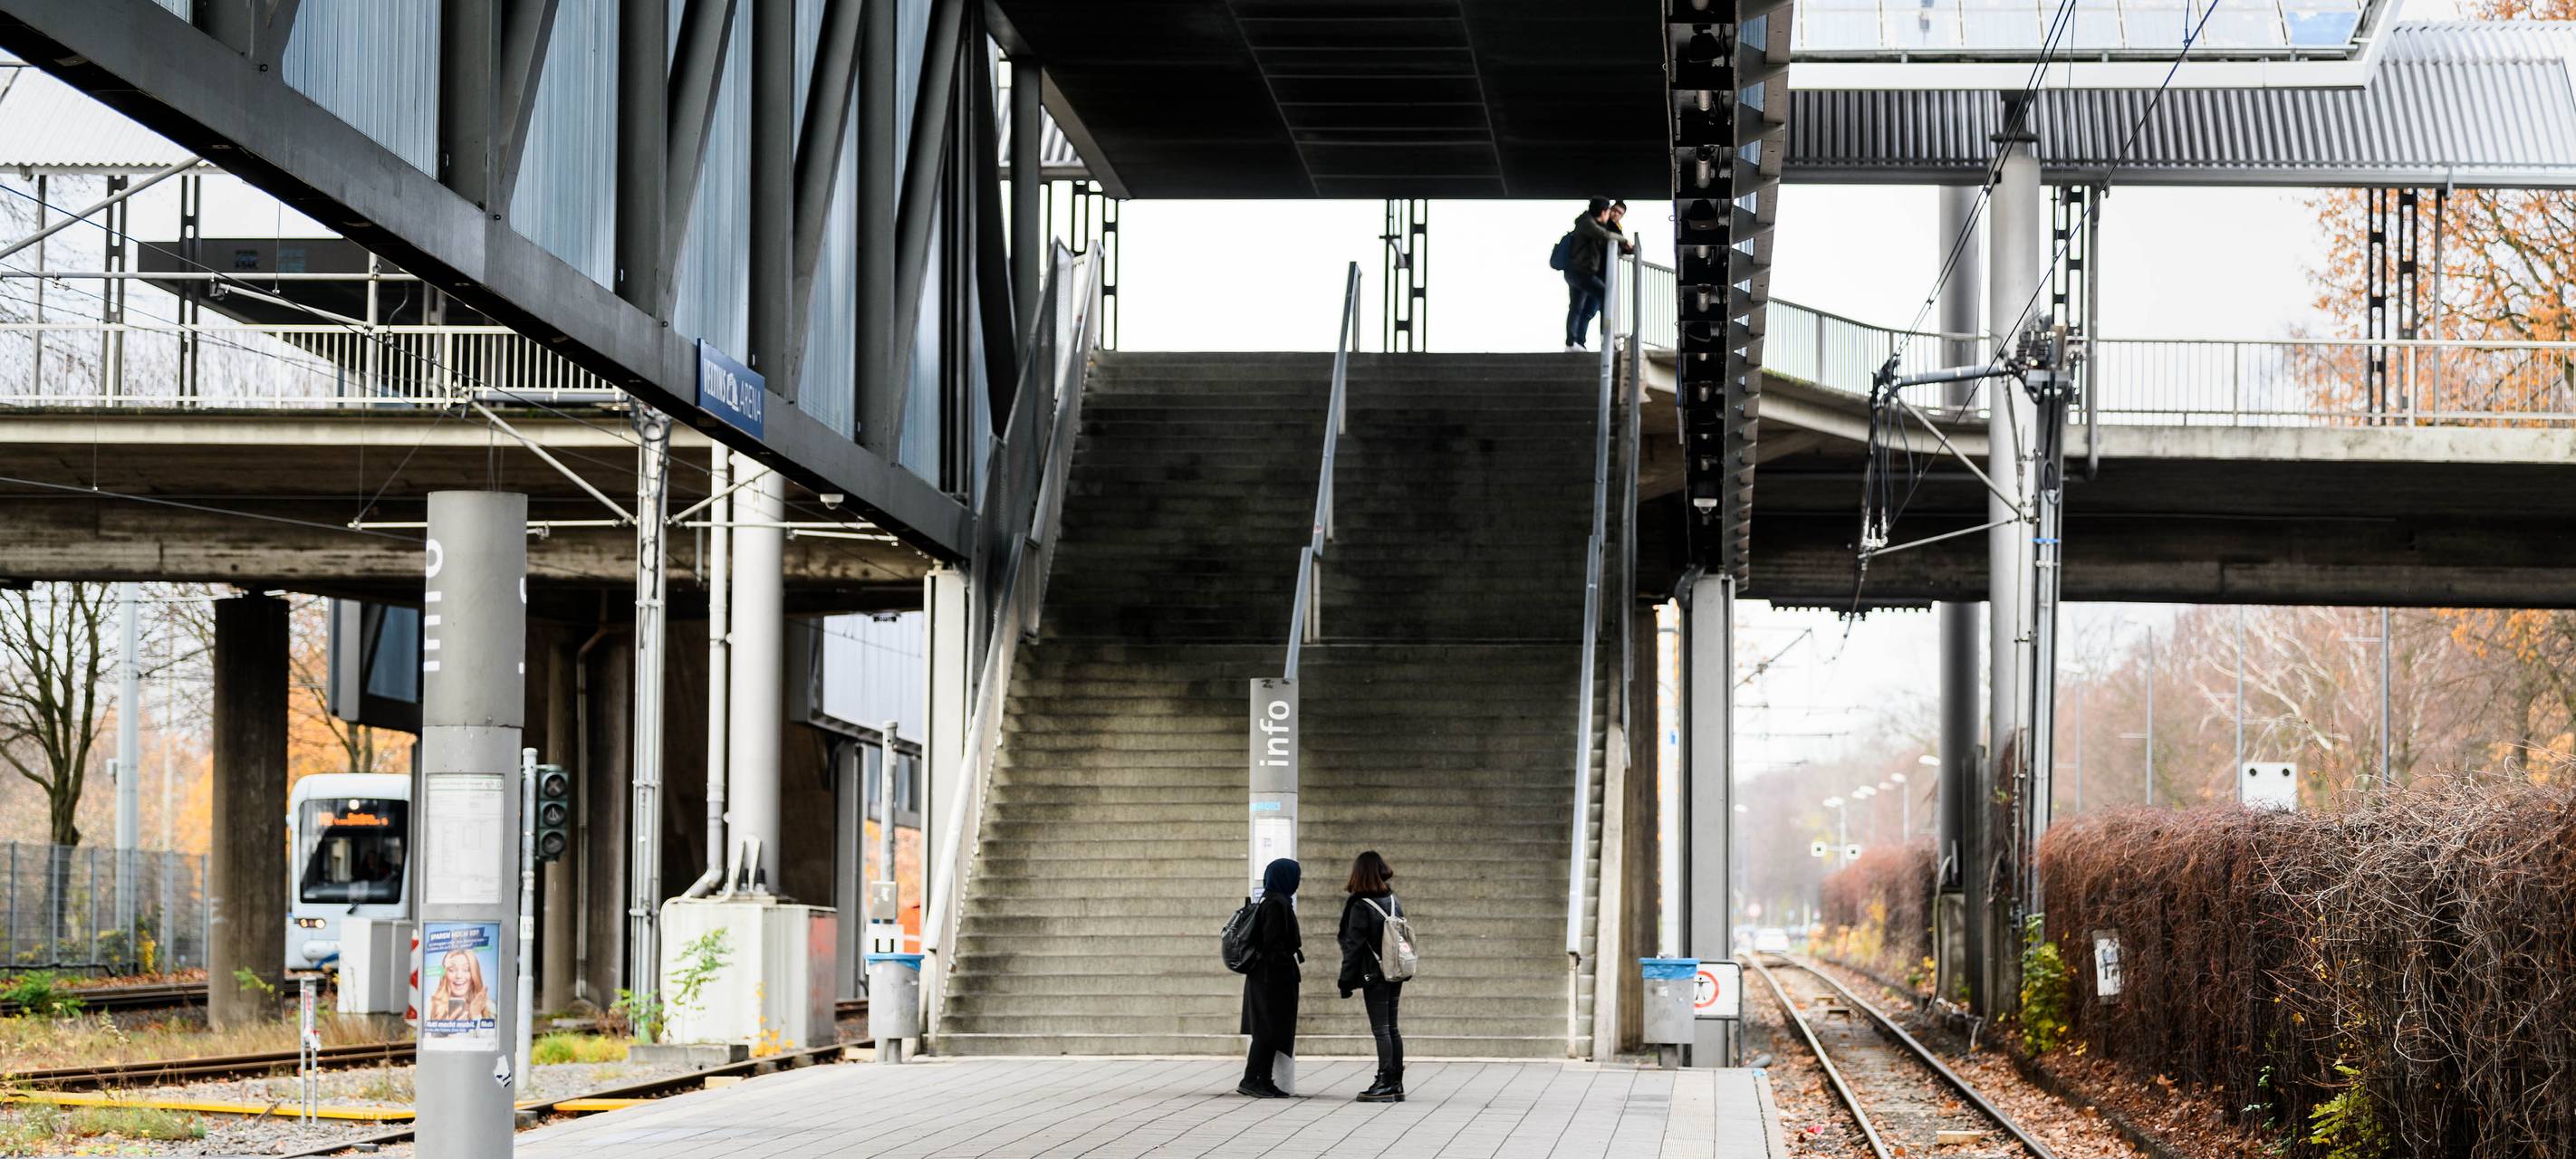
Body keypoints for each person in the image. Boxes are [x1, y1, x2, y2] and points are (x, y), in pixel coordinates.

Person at [1337, 850, 1406, 1102]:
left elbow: (1352, 945)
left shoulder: (1360, 905)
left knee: (1381, 1029)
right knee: (1392, 1027)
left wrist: (1345, 980)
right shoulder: (1391, 899)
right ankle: (1396, 1081)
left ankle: (1384, 1080)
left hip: (1373, 974)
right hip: (1394, 970)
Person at [1237, 858, 1302, 1098]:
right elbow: (1272, 943)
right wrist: (1285, 963)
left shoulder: (1271, 900)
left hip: (1266, 976)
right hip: (1272, 978)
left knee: (1269, 1029)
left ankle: (1263, 1079)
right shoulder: (1277, 903)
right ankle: (1252, 1079)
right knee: (1266, 1030)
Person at [1564, 197, 1635, 350]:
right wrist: (1623, 239)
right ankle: (1601, 338)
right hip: (1582, 273)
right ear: (1604, 211)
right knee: (1601, 297)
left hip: (1584, 273)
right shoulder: (1588, 223)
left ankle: (1575, 343)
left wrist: (1625, 247)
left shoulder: (1593, 224)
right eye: (1611, 210)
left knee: (1578, 307)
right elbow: (1605, 235)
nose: (1613, 214)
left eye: (1618, 213)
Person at [427, 947, 493, 1023]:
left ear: (474, 974)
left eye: (466, 970)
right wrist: (444, 1031)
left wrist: (476, 1016)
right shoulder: (430, 1005)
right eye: (452, 970)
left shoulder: (489, 1007)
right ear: (445, 975)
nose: (459, 976)